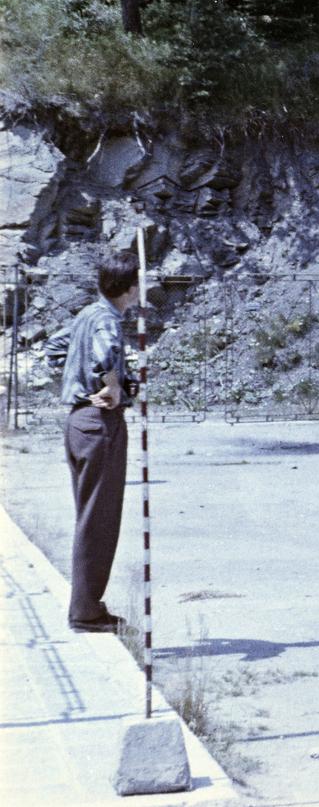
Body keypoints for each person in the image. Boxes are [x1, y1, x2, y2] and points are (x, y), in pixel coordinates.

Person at [59, 250, 139, 632]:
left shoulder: (87, 314)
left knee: (89, 518)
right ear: (130, 286)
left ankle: (86, 605)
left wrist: (81, 386)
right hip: (100, 425)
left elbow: (55, 348)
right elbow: (106, 355)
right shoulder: (107, 319)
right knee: (99, 520)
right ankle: (86, 612)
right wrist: (111, 387)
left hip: (78, 421)